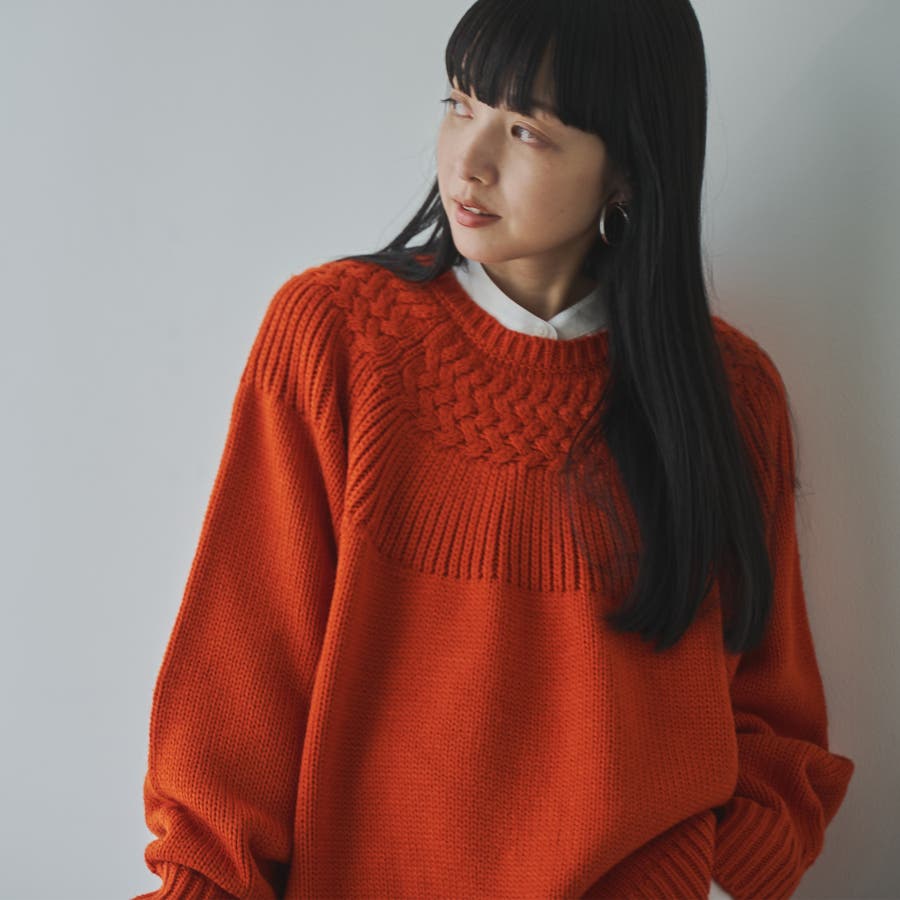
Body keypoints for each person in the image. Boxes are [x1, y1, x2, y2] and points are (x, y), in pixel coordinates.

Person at [133, 1, 856, 898]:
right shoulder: (338, 338)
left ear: (627, 169)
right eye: (461, 103)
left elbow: (774, 718)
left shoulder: (730, 396)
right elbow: (241, 683)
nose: (467, 161)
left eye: (526, 130)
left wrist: (714, 877)